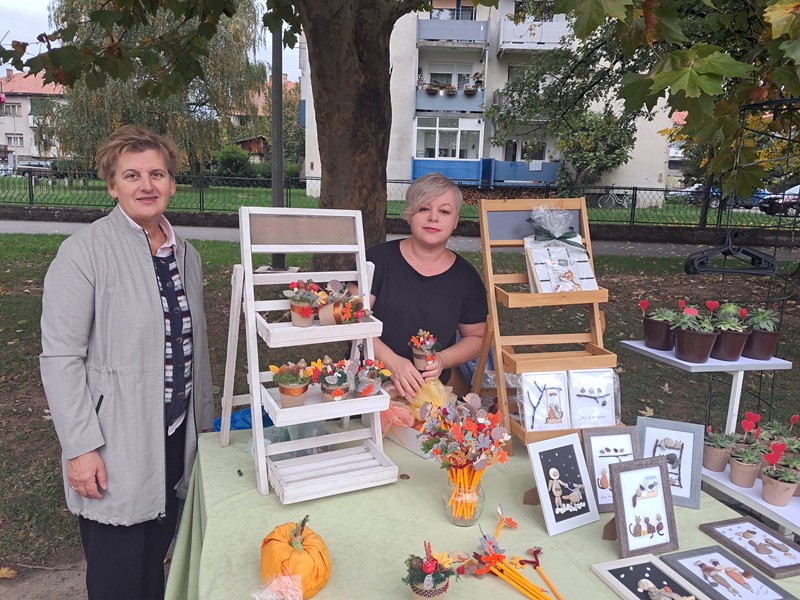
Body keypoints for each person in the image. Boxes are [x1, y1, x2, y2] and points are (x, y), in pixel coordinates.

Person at [39, 125, 214, 599]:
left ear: (172, 184)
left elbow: (194, 348)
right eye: (131, 175)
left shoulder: (187, 256)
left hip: (174, 436)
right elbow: (61, 358)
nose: (146, 185)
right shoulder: (83, 252)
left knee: (154, 561)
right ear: (112, 186)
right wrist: (80, 447)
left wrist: (203, 428)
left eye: (157, 174)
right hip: (113, 441)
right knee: (117, 576)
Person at [367, 172, 487, 398]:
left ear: (456, 220)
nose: (433, 218)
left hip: (430, 395)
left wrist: (442, 359)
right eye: (424, 208)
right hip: (368, 386)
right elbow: (351, 323)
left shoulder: (466, 278)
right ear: (410, 213)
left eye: (444, 211)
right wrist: (392, 362)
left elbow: (477, 338)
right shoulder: (377, 261)